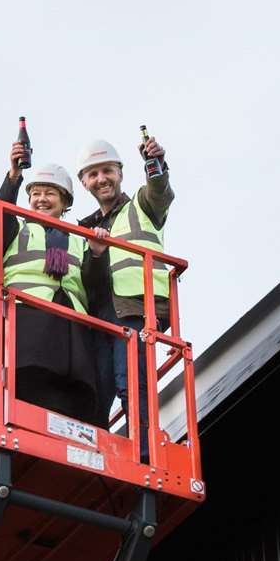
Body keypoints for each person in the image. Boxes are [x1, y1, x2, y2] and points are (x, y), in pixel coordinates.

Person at [0, 144, 111, 425]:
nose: (42, 200)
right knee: (31, 391)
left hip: (71, 332)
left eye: (50, 194)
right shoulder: (16, 229)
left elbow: (93, 288)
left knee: (70, 396)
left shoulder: (79, 238)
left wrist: (96, 253)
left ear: (65, 201)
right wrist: (13, 177)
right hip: (28, 327)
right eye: (36, 194)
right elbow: (2, 214)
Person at [75, 136, 173, 459]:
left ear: (119, 172)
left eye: (107, 171)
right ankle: (93, 455)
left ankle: (144, 454)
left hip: (133, 308)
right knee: (96, 389)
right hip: (98, 317)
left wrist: (156, 164)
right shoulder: (84, 229)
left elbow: (159, 190)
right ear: (84, 182)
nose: (101, 179)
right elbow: (88, 281)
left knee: (131, 381)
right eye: (93, 174)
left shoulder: (142, 206)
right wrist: (96, 253)